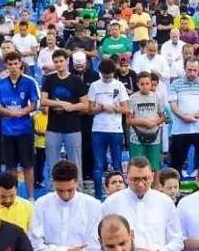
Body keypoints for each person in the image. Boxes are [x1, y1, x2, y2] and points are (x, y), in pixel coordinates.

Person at [102, 156, 184, 251]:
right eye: (135, 179)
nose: (140, 184)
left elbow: (177, 240)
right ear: (126, 178)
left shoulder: (165, 202)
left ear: (153, 176)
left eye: (145, 179)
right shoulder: (111, 203)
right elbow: (103, 240)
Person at [0, 51, 40, 200]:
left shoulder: (29, 82)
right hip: (7, 131)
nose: (13, 67)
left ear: (20, 63)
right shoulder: (0, 83)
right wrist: (10, 112)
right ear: (5, 65)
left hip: (25, 129)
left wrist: (22, 112)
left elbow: (35, 104)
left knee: (28, 165)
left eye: (15, 63)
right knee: (11, 167)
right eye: (10, 64)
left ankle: (31, 197)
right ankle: (15, 197)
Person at [40, 49, 89, 186]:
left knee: (75, 161)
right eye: (56, 62)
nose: (59, 64)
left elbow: (85, 104)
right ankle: (54, 187)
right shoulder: (49, 80)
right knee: (52, 160)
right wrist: (61, 103)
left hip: (72, 127)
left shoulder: (76, 81)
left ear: (67, 61)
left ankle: (77, 187)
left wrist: (70, 107)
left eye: (61, 61)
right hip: (53, 127)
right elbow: (43, 100)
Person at [88, 58, 129, 200]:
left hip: (115, 129)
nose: (107, 78)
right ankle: (98, 196)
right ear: (100, 73)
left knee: (117, 163)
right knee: (98, 164)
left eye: (110, 75)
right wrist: (101, 108)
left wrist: (114, 109)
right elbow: (90, 109)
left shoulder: (119, 85)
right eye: (105, 76)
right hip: (98, 129)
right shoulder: (94, 86)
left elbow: (126, 109)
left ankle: (120, 194)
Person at [168, 57, 199, 175]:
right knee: (176, 163)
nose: (192, 73)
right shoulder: (175, 84)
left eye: (195, 70)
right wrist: (184, 116)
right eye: (189, 70)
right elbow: (173, 105)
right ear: (184, 69)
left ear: (198, 69)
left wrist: (194, 116)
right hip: (180, 130)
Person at [127, 71, 166, 177]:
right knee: (136, 165)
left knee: (154, 167)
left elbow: (162, 116)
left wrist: (154, 122)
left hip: (154, 136)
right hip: (137, 136)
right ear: (137, 85)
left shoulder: (157, 97)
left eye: (147, 83)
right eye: (142, 84)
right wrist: (144, 122)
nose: (145, 86)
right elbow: (129, 120)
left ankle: (155, 187)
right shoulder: (133, 98)